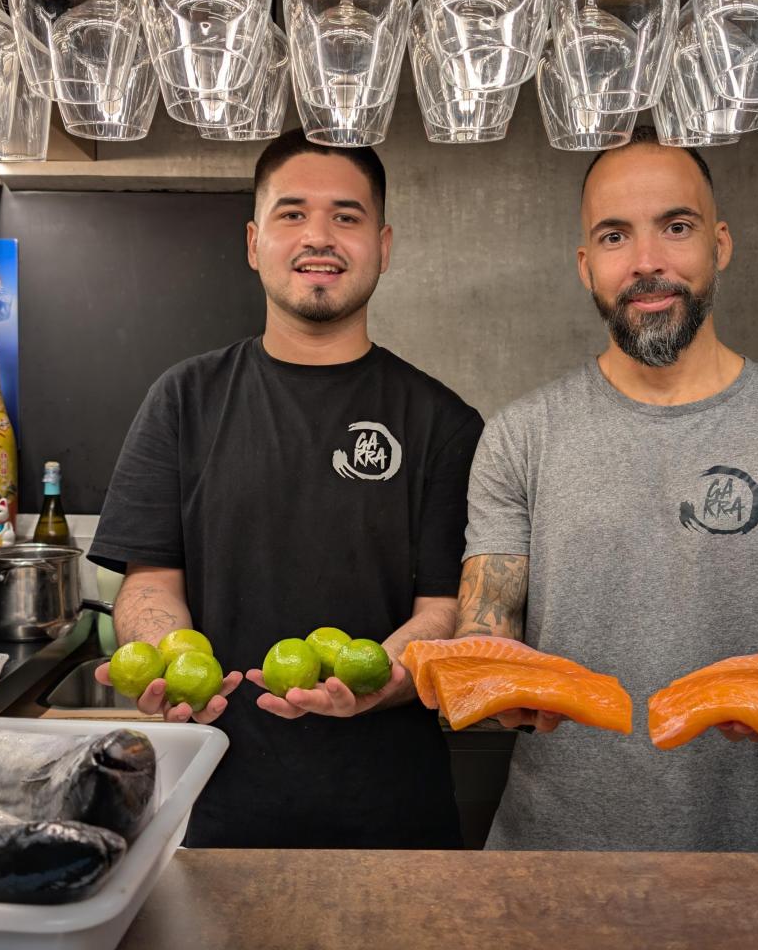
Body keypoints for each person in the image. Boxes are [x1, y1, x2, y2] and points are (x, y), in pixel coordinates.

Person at [456, 128, 758, 852]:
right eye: (614, 236)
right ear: (586, 265)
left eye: (676, 227)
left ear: (720, 245)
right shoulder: (519, 436)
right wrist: (497, 685)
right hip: (546, 866)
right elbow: (486, 626)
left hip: (749, 865)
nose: (646, 262)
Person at [89, 130, 483, 849]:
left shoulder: (445, 422)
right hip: (210, 809)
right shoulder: (183, 400)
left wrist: (378, 680)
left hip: (394, 819)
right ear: (253, 242)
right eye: (292, 213)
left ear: (383, 246)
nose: (319, 236)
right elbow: (150, 582)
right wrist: (169, 657)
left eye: (346, 216)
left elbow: (444, 608)